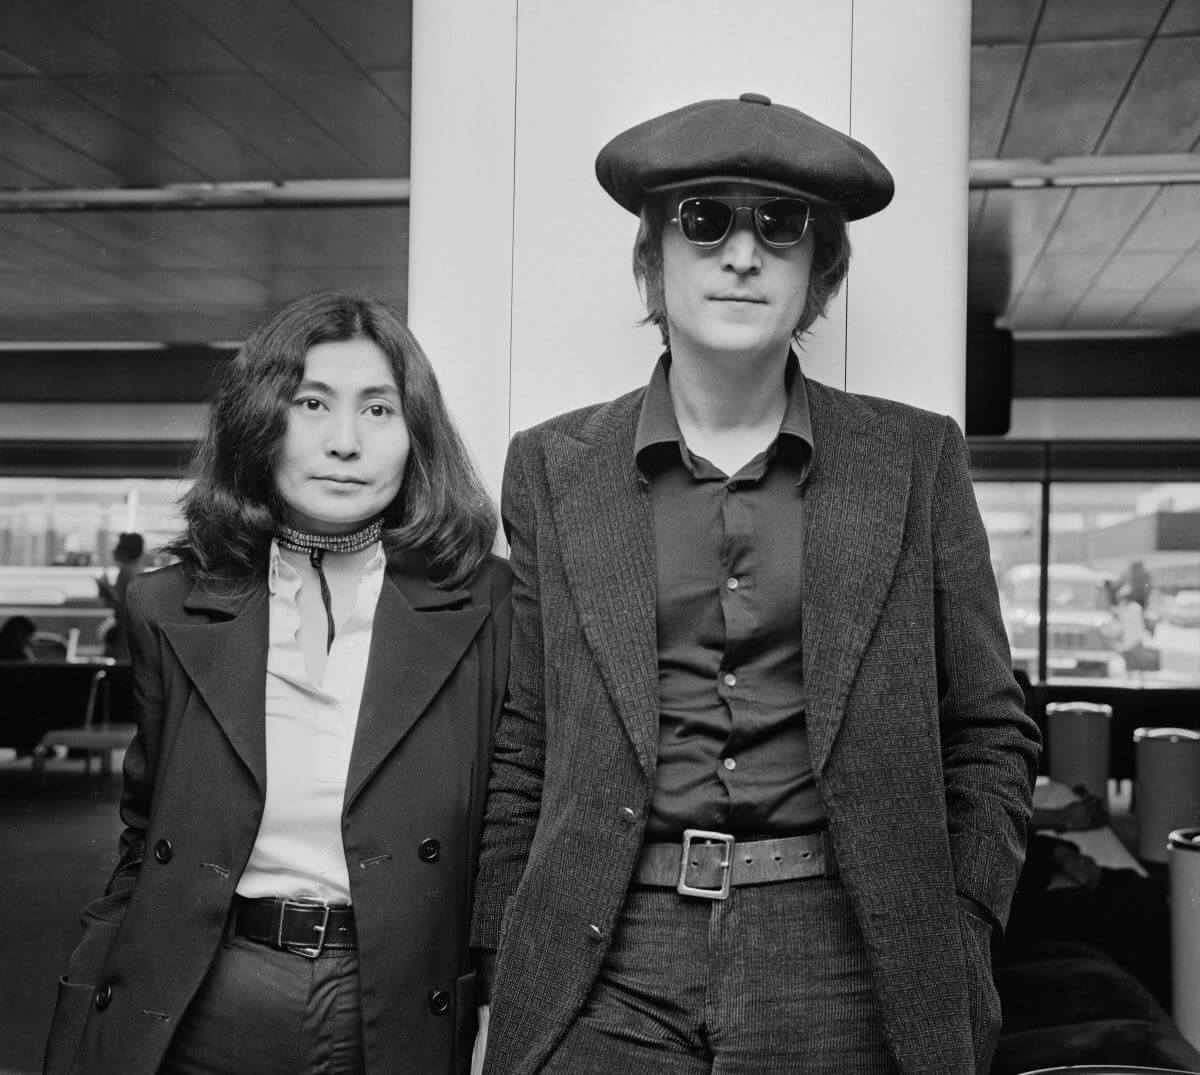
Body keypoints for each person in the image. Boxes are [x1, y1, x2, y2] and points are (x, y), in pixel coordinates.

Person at [471, 94, 1040, 1074]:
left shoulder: (913, 457)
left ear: (819, 267)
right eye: (706, 219)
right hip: (600, 953)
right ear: (654, 256)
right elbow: (527, 734)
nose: (743, 252)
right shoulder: (552, 467)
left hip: (845, 950)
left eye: (781, 225)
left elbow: (990, 721)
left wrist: (962, 919)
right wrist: (499, 948)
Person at [45, 292, 511, 1075]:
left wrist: (504, 1001)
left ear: (415, 435)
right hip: (207, 989)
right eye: (312, 403)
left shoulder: (490, 602)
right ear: (261, 422)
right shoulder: (167, 604)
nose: (344, 442)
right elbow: (145, 836)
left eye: (378, 410)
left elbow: (510, 837)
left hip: (398, 994)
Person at [97, 532, 146, 660]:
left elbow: (123, 604)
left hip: (125, 633)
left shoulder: (127, 572)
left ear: (125, 552)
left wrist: (105, 587)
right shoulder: (134, 570)